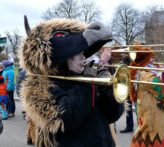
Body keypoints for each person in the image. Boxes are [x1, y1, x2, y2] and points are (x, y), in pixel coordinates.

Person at [18, 16, 123, 146]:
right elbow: (67, 120)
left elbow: (113, 115)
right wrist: (86, 83)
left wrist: (108, 91)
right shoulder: (41, 86)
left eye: (83, 53)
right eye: (76, 53)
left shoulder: (88, 77)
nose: (83, 57)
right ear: (63, 58)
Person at [129, 45, 164, 147]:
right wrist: (162, 74)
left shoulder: (140, 72)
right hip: (154, 117)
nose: (153, 60)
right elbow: (162, 92)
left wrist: (161, 73)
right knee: (153, 140)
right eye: (151, 57)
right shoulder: (146, 75)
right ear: (144, 58)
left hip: (147, 113)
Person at [120, 54, 134, 133]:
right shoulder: (131, 65)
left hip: (129, 89)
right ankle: (130, 125)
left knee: (128, 108)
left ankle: (129, 126)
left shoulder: (126, 67)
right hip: (130, 88)